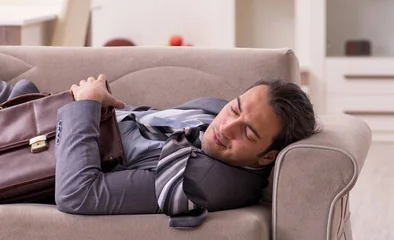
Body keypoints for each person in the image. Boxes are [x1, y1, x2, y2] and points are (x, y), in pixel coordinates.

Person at [0, 75, 317, 228]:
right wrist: (99, 101)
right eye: (235, 108)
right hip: (36, 117)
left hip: (26, 154)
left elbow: (77, 195)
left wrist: (87, 105)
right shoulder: (215, 116)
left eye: (247, 133)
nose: (227, 127)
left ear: (266, 157)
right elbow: (146, 121)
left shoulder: (197, 179)